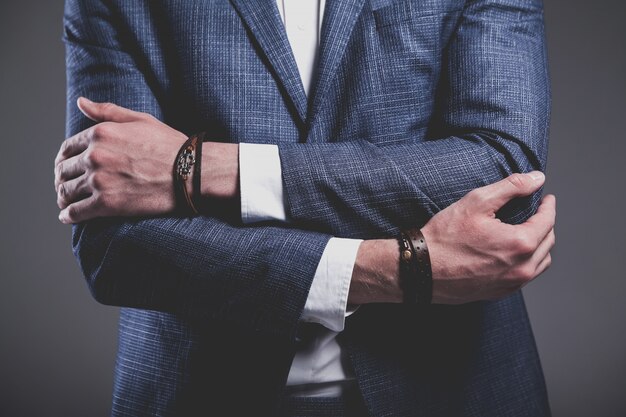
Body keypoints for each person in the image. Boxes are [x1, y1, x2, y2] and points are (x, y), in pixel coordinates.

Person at [54, 0, 555, 416]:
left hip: (454, 386)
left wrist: (205, 168)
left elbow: (503, 174)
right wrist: (398, 269)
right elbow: (113, 245)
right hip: (199, 392)